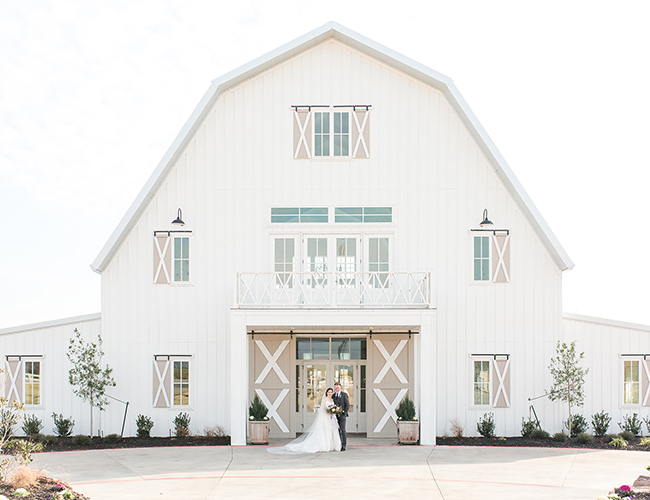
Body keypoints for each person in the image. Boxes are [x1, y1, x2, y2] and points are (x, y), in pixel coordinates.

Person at [268, 387, 341, 454]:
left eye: (331, 392)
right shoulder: (324, 399)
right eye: (329, 392)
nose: (330, 393)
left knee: (330, 430)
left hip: (331, 418)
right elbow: (322, 409)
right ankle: (324, 446)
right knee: (324, 431)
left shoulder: (332, 400)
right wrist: (328, 414)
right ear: (326, 393)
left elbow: (333, 407)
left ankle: (331, 446)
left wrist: (333, 412)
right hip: (325, 417)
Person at [332, 382, 349, 451]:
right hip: (335, 416)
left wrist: (344, 412)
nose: (337, 389)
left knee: (343, 429)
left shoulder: (344, 395)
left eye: (338, 387)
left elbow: (347, 404)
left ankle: (344, 445)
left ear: (340, 388)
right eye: (336, 388)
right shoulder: (333, 396)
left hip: (342, 415)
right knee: (336, 430)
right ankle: (338, 443)